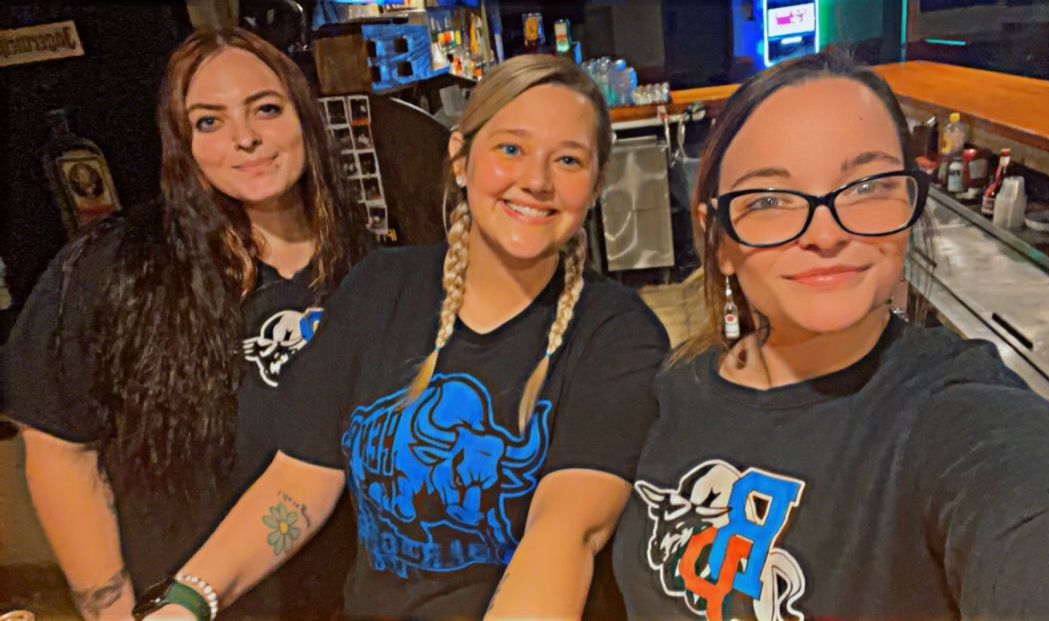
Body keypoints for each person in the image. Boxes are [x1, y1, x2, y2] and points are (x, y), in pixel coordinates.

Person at [133, 53, 670, 621]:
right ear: (461, 158)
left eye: (567, 159)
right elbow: (300, 480)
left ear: (596, 184)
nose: (536, 180)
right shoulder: (379, 287)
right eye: (511, 149)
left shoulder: (617, 334)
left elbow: (565, 533)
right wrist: (189, 599)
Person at [612, 51, 1049, 620]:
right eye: (769, 199)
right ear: (718, 240)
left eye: (866, 186)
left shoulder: (947, 414)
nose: (825, 234)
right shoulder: (670, 388)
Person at [4, 28, 370, 620]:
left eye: (266, 109)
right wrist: (112, 607)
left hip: (346, 598)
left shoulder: (367, 264)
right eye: (209, 122)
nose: (244, 138)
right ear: (183, 144)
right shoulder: (116, 266)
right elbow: (60, 450)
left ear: (304, 116)